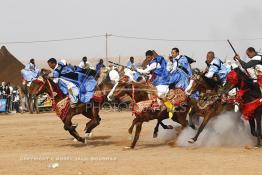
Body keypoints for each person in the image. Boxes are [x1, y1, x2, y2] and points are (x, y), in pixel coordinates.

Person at [136, 50, 175, 119]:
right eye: (147, 58)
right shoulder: (153, 63)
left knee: (160, 94)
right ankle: (156, 106)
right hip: (158, 81)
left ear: (152, 56)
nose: (148, 59)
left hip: (163, 81)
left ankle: (170, 107)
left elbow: (145, 71)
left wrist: (136, 69)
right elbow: (148, 72)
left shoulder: (154, 63)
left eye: (148, 57)